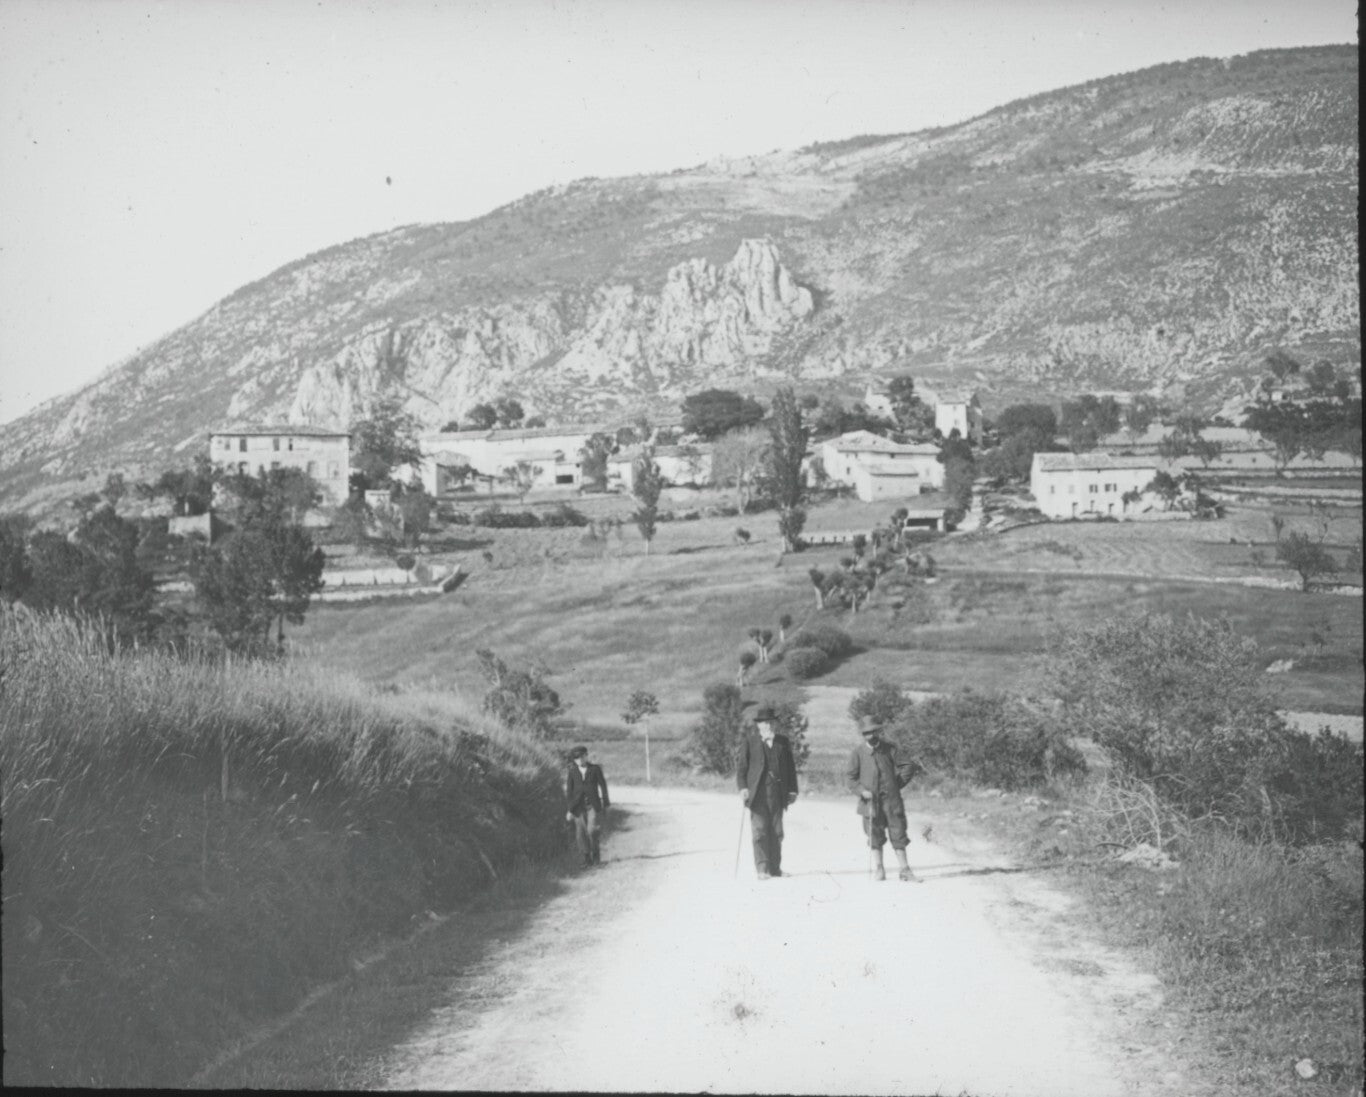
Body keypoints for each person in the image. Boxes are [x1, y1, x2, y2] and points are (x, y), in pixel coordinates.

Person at [844, 714, 921, 882]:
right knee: (874, 834)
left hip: (892, 801)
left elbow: (908, 766)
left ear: (878, 731)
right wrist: (861, 791)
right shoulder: (857, 753)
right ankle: (879, 869)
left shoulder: (890, 749)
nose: (870, 736)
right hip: (870, 802)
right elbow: (850, 779)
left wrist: (897, 784)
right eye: (866, 733)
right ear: (862, 735)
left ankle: (905, 870)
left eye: (873, 732)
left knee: (898, 832)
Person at [735, 704, 799, 879]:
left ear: (774, 724)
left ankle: (776, 869)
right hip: (757, 794)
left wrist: (793, 790)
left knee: (777, 831)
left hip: (778, 794)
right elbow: (741, 769)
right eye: (764, 722)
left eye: (770, 722)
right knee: (760, 831)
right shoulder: (750, 742)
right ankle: (762, 869)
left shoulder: (782, 742)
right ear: (758, 725)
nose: (768, 725)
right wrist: (743, 788)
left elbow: (791, 769)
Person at [565, 745, 610, 867]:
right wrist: (569, 810)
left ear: (586, 756)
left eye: (581, 757)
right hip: (578, 807)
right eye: (576, 758)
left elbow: (603, 785)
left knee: (592, 831)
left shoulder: (595, 769)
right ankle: (586, 859)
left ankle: (596, 858)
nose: (579, 760)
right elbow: (569, 792)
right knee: (581, 833)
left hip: (593, 806)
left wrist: (605, 803)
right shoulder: (572, 772)